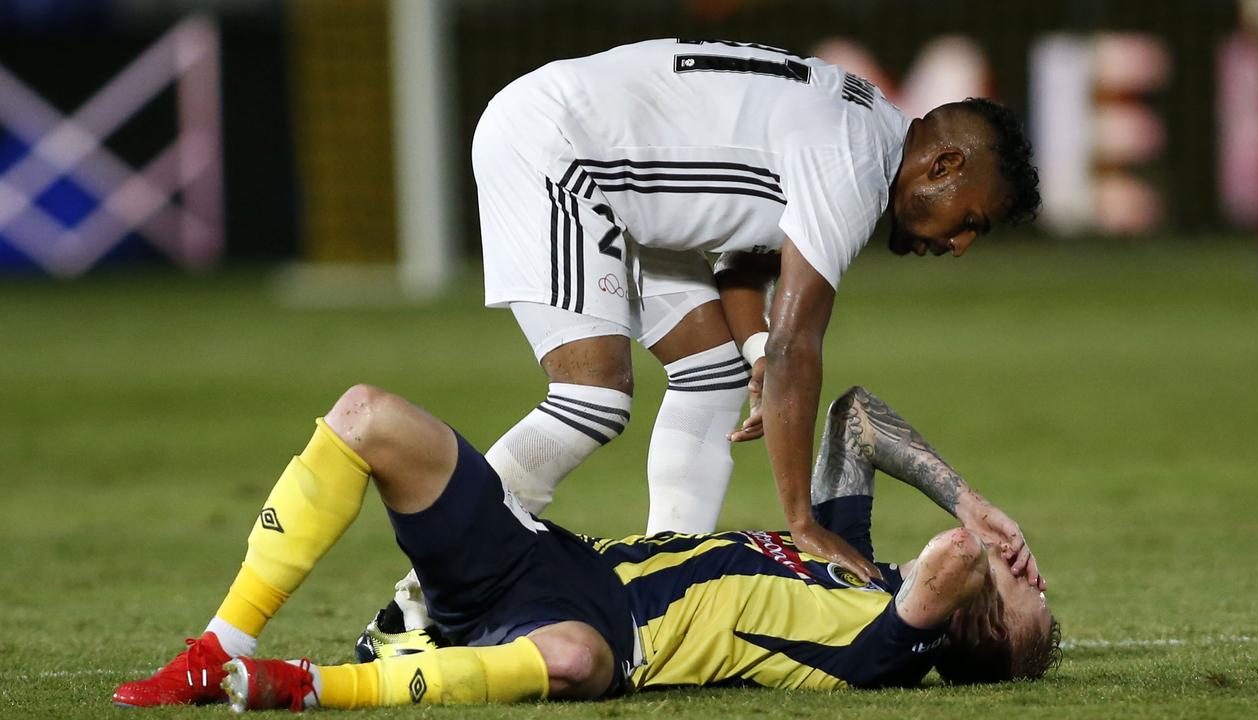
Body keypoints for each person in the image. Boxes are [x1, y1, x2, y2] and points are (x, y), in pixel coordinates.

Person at [111, 383, 1058, 711]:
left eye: (1030, 597)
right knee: (368, 418)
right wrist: (969, 490)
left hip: (600, 636)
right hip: (556, 561)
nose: (1029, 567)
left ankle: (310, 687)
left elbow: (946, 564)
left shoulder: (887, 651)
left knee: (572, 660)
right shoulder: (850, 557)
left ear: (978, 635)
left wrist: (980, 540)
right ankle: (217, 652)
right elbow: (855, 418)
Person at [471, 39, 1043, 580]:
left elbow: (741, 262)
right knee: (592, 398)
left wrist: (753, 351)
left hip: (605, 170)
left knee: (714, 376)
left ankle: (665, 582)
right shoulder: (854, 163)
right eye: (971, 222)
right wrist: (802, 523)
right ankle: (429, 586)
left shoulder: (865, 128)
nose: (961, 244)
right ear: (943, 166)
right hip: (558, 150)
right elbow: (796, 346)